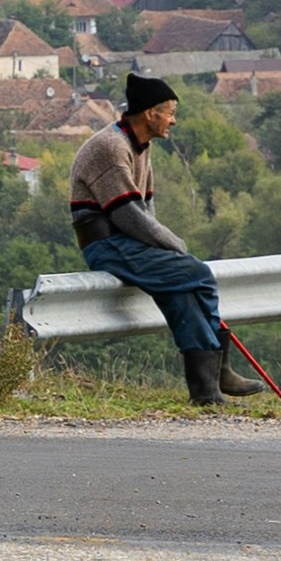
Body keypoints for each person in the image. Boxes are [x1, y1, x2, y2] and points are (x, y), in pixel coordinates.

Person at [66, 72, 233, 407]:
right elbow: (127, 214)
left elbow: (146, 210)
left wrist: (161, 245)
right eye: (170, 112)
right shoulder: (111, 147)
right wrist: (176, 246)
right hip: (107, 243)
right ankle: (221, 366)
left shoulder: (142, 146)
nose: (174, 120)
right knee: (199, 274)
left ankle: (206, 391)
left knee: (181, 294)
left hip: (127, 241)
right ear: (149, 114)